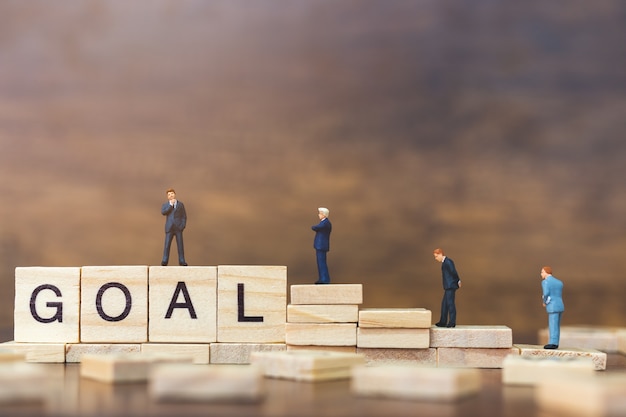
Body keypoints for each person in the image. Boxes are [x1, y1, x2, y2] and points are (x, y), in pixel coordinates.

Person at [433, 248, 461, 328]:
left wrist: (458, 281)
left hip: (450, 286)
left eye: (436, 256)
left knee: (450, 304)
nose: (436, 258)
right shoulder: (445, 262)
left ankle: (452, 322)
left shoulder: (448, 262)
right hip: (447, 286)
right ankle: (443, 321)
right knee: (444, 304)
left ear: (441, 254)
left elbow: (453, 272)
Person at [161, 188, 188, 266]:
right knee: (167, 245)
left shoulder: (180, 205)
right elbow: (163, 212)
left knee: (180, 245)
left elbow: (184, 216)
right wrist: (170, 205)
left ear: (175, 194)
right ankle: (165, 260)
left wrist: (182, 225)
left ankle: (182, 260)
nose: (171, 195)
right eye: (169, 194)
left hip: (178, 228)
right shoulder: (165, 205)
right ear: (167, 197)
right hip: (169, 227)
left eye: (172, 193)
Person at [540, 266, 564, 349]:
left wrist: (544, 302)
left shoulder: (545, 282)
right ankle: (556, 342)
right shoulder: (559, 282)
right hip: (560, 305)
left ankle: (552, 343)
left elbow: (546, 293)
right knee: (557, 326)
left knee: (553, 325)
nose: (541, 274)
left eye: (542, 272)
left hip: (552, 306)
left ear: (546, 272)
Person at [312, 207, 332, 284]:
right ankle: (322, 278)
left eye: (320, 213)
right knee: (320, 263)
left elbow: (316, 227)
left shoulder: (325, 223)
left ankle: (324, 279)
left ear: (324, 215)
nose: (319, 215)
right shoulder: (324, 222)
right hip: (320, 246)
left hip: (321, 245)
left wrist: (313, 227)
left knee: (322, 263)